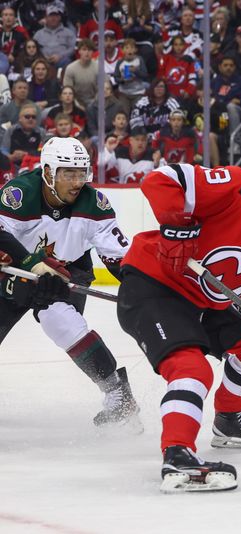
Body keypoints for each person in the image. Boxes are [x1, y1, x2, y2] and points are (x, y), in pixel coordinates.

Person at [116, 150, 241, 493]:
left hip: (203, 304)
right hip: (154, 289)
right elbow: (160, 181)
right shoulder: (236, 187)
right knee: (192, 369)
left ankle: (229, 421)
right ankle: (178, 455)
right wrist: (176, 226)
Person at [0, 136, 141, 428]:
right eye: (69, 173)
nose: (78, 181)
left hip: (68, 269)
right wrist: (33, 264)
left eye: (82, 173)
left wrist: (142, 287)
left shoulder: (95, 203)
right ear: (49, 173)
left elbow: (120, 259)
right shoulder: (20, 193)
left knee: (60, 320)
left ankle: (118, 394)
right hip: (18, 268)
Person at [62, 39, 100, 109]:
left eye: (90, 50)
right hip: (75, 102)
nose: (87, 52)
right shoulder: (71, 68)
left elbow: (102, 89)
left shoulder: (99, 68)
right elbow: (67, 90)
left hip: (94, 102)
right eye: (84, 49)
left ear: (93, 52)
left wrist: (93, 103)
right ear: (79, 51)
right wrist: (77, 105)